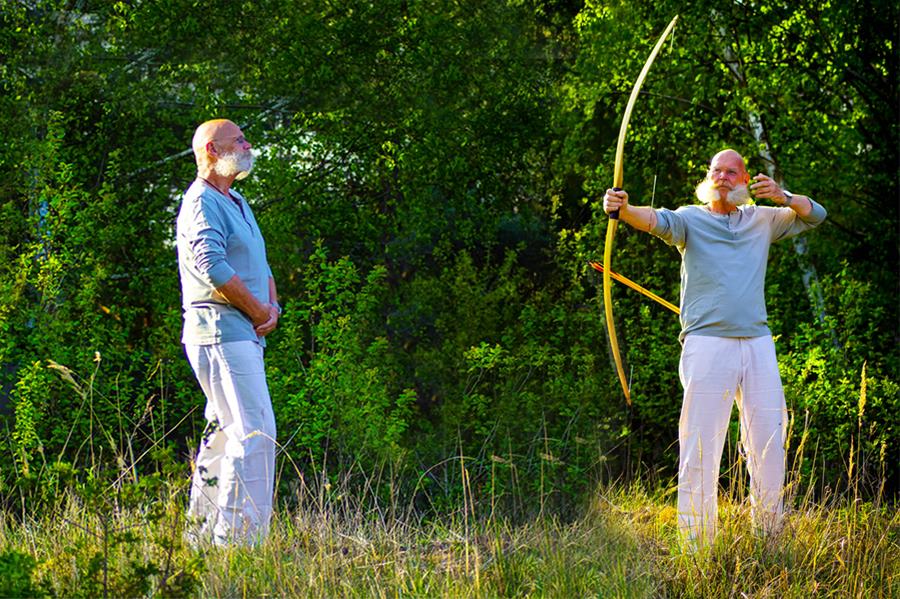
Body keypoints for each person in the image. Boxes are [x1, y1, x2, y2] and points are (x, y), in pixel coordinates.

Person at [603, 149, 827, 547]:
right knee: (701, 445)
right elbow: (655, 219)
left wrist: (783, 195)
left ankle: (769, 538)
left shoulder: (763, 218)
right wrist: (621, 208)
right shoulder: (691, 218)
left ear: (744, 180)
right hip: (707, 344)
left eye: (731, 171)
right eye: (716, 170)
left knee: (770, 441)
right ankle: (696, 545)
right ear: (708, 177)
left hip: (757, 343)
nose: (723, 177)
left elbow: (816, 215)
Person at [176, 119, 281, 546]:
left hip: (241, 331)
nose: (248, 144)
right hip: (221, 332)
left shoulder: (235, 199)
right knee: (253, 432)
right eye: (239, 139)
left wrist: (270, 306)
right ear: (212, 150)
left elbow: (259, 261)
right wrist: (258, 311)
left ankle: (199, 539)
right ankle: (238, 545)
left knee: (223, 435)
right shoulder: (201, 201)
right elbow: (213, 268)